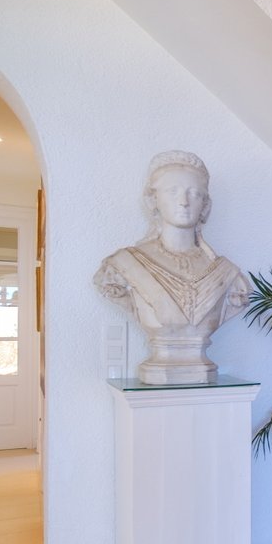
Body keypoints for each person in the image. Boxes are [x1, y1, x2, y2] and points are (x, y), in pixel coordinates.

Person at [94, 151, 248, 383]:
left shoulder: (228, 275)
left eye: (194, 193)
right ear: (152, 200)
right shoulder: (124, 265)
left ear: (205, 206)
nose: (184, 201)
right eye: (172, 191)